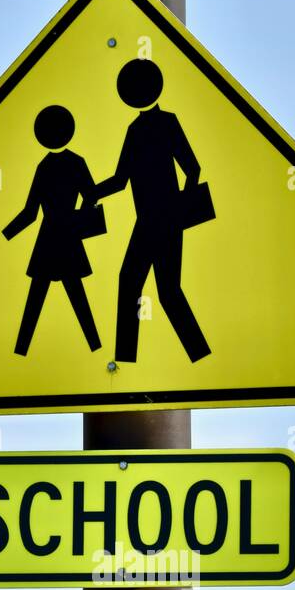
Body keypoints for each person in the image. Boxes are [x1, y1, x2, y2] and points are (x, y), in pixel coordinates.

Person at [95, 59, 211, 364]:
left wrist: (181, 208)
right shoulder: (135, 130)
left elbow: (192, 168)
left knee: (160, 290)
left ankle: (197, 354)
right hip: (148, 221)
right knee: (141, 285)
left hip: (163, 221)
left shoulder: (166, 123)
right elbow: (121, 180)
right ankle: (128, 360)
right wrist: (93, 192)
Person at [2, 104, 101, 356]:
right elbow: (91, 196)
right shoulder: (74, 163)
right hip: (67, 235)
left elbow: (30, 213)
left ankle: (22, 350)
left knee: (42, 297)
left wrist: (7, 233)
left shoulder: (45, 167)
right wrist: (77, 220)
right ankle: (95, 346)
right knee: (71, 295)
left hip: (50, 238)